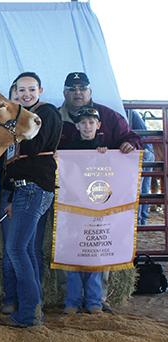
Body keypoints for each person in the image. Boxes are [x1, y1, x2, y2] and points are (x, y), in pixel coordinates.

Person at [0, 72, 62, 327]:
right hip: (24, 189)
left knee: (16, 249)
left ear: (40, 90)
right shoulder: (21, 116)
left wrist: (9, 133)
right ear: (14, 92)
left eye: (31, 89)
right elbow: (9, 162)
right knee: (26, 249)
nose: (26, 94)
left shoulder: (46, 113)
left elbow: (36, 147)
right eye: (21, 90)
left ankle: (29, 313)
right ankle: (32, 308)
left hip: (34, 188)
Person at [58, 107, 114, 314]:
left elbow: (113, 176)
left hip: (96, 207)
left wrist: (106, 156)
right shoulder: (68, 149)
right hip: (73, 208)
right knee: (73, 252)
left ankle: (94, 301)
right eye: (83, 122)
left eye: (91, 122)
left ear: (98, 125)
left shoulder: (106, 150)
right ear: (77, 125)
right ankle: (73, 300)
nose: (87, 126)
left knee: (95, 254)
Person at [58, 72, 141, 152]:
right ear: (65, 93)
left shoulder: (109, 116)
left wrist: (130, 144)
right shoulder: (54, 117)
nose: (77, 92)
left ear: (90, 92)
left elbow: (132, 137)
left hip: (105, 166)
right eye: (72, 89)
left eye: (83, 88)